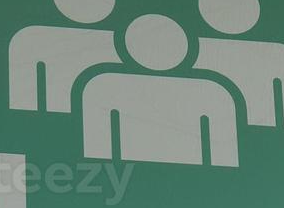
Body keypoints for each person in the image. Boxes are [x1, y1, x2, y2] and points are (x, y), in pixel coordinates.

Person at [80, 13, 239, 167]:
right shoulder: (104, 84)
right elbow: (96, 150)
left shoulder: (213, 91)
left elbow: (225, 157)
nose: (160, 50)